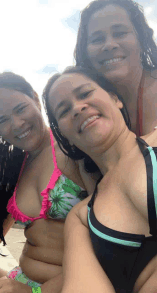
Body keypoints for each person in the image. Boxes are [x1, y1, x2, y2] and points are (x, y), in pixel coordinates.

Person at [0, 70, 94, 293]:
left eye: (20, 109)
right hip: (21, 279)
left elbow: (113, 242)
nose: (16, 124)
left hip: (73, 285)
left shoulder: (75, 149)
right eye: (3, 120)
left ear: (35, 98)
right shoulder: (16, 166)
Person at [43, 66, 157, 292]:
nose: (77, 108)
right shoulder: (81, 219)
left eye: (85, 94)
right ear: (65, 135)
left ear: (116, 99)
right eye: (64, 111)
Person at [74, 0, 157, 136]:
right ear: (86, 53)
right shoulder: (88, 112)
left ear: (141, 39)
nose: (109, 44)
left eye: (120, 33)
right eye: (97, 39)